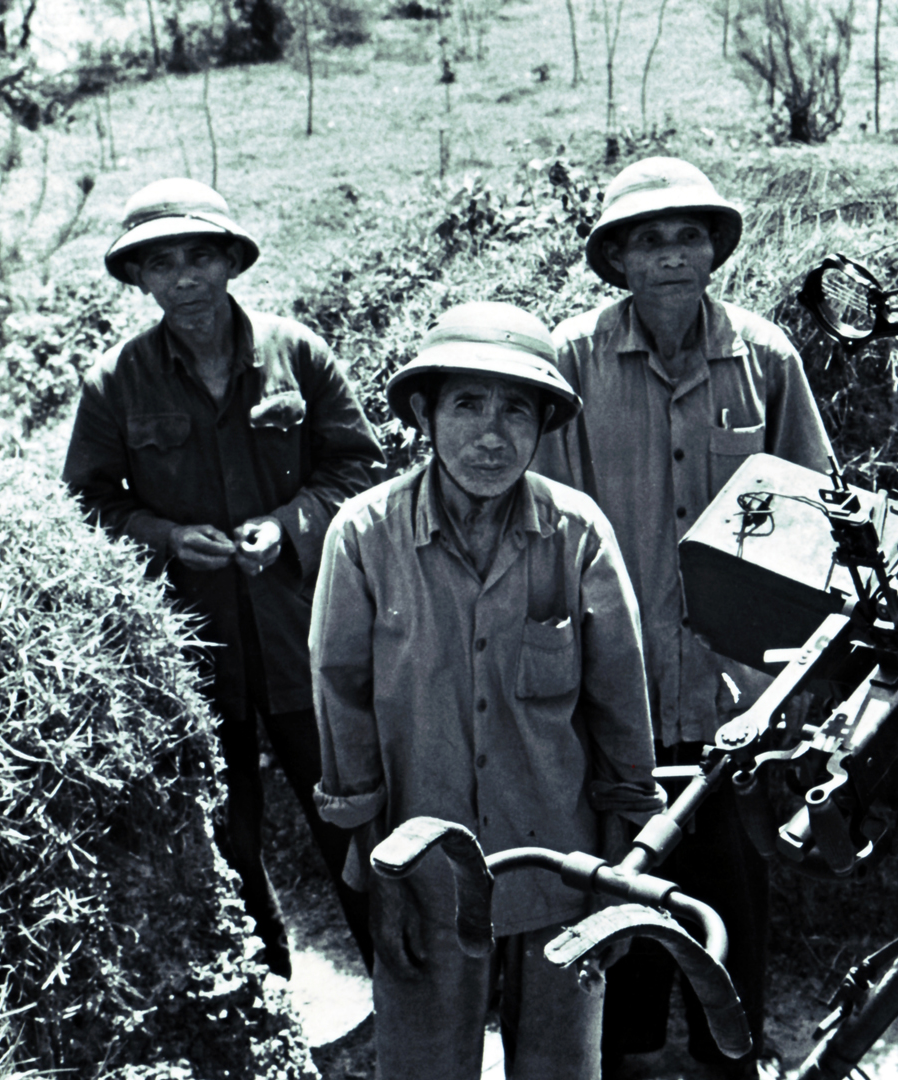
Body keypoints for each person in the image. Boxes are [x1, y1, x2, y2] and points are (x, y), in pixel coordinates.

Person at [310, 301, 666, 1080]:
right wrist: (380, 877)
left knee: (562, 1069)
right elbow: (343, 710)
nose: (492, 435)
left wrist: (619, 872)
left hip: (561, 868)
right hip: (421, 871)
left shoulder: (577, 534)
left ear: (542, 428)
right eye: (467, 404)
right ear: (423, 416)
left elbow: (619, 712)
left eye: (516, 411)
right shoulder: (365, 535)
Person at [536, 156, 835, 1079]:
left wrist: (782, 667)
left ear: (715, 250)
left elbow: (815, 505)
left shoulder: (765, 357)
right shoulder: (573, 359)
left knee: (735, 878)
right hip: (613, 669)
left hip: (732, 679)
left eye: (689, 236)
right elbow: (541, 518)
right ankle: (626, 1047)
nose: (672, 254)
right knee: (621, 863)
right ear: (618, 258)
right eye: (650, 239)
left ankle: (729, 1046)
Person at [63, 177, 385, 978]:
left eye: (199, 256)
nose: (183, 278)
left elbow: (358, 469)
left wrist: (288, 524)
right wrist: (168, 538)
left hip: (309, 636)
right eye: (160, 262)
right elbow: (87, 505)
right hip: (192, 649)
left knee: (351, 812)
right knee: (230, 832)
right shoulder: (114, 383)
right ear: (137, 278)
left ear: (230, 262)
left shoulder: (297, 352)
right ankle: (271, 1000)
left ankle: (404, 990)